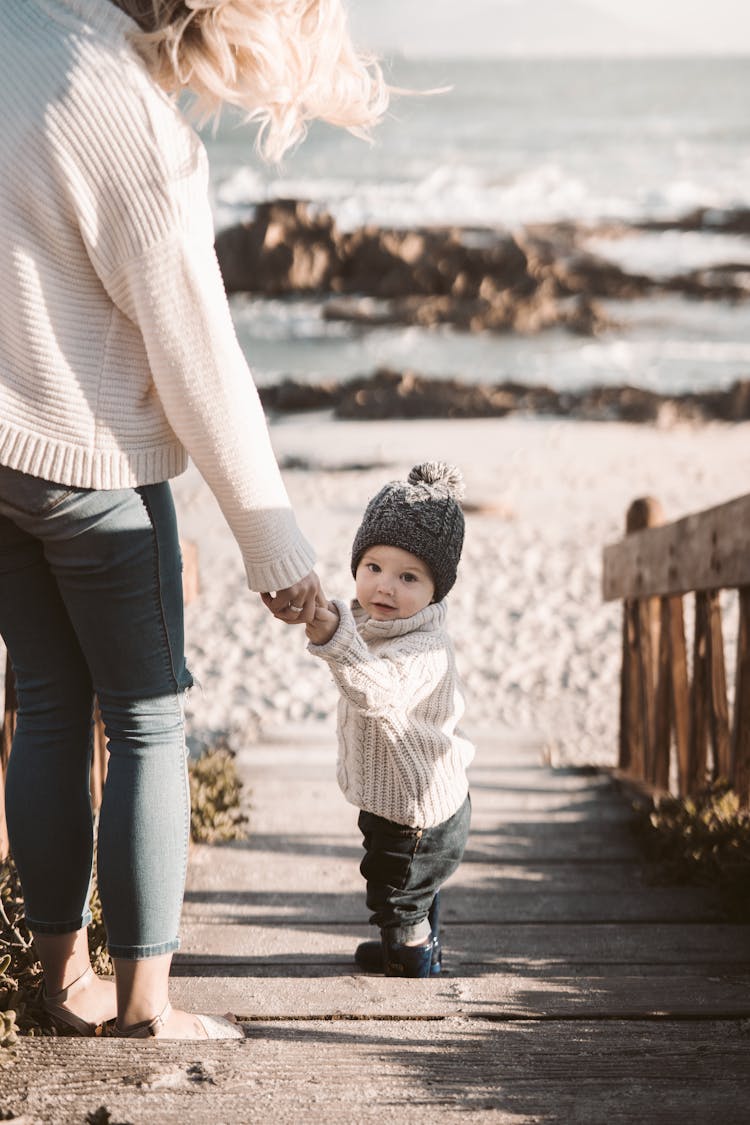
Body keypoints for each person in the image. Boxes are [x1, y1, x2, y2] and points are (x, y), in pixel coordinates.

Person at [0, 0, 387, 1039]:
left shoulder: (12, 28)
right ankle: (143, 1009)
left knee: (43, 707)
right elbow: (203, 370)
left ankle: (58, 982)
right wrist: (275, 543)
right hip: (94, 473)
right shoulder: (130, 118)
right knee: (146, 720)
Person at [305, 463, 475, 977]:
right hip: (394, 798)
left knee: (396, 888)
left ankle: (413, 955)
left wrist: (333, 639)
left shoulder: (425, 648)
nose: (384, 586)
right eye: (373, 567)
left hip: (420, 813)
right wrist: (327, 620)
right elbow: (346, 635)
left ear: (436, 590)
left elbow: (376, 691)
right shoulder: (370, 622)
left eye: (408, 577)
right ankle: (401, 940)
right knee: (397, 880)